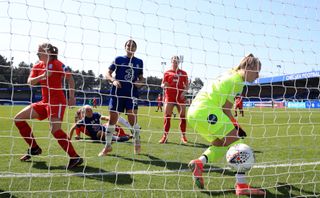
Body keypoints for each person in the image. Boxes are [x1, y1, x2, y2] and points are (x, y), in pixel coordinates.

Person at [187, 54, 265, 195]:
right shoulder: (237, 81)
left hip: (193, 113)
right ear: (248, 67)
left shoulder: (229, 73)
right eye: (257, 71)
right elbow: (226, 109)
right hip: (207, 110)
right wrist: (237, 128)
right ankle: (241, 186)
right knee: (238, 144)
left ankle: (199, 163)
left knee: (222, 143)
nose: (258, 75)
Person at [13, 43, 83, 169]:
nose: (37, 53)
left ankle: (75, 157)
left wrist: (72, 97)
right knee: (18, 118)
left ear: (48, 51)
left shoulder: (58, 64)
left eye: (39, 51)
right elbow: (30, 82)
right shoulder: (37, 66)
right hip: (44, 102)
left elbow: (70, 79)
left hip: (57, 102)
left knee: (55, 130)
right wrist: (43, 75)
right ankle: (34, 148)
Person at [98, 39, 144, 156]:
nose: (131, 47)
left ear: (135, 48)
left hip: (131, 94)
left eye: (133, 46)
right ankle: (107, 146)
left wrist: (140, 83)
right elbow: (107, 73)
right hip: (117, 93)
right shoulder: (118, 59)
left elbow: (141, 79)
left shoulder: (139, 62)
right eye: (128, 45)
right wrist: (113, 80)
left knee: (132, 119)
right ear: (125, 47)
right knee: (113, 119)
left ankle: (137, 140)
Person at [158, 56, 188, 144]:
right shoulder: (167, 72)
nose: (175, 62)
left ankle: (183, 136)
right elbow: (162, 85)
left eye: (176, 61)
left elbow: (187, 86)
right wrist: (165, 85)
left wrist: (184, 92)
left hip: (180, 97)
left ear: (179, 62)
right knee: (167, 116)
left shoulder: (183, 73)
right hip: (169, 97)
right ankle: (165, 137)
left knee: (182, 116)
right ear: (171, 62)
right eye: (173, 61)